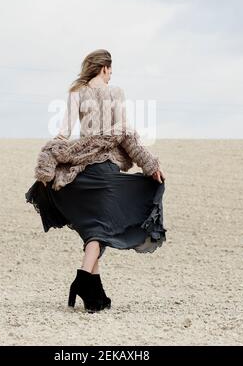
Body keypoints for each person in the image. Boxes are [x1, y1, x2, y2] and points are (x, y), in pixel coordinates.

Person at [25, 49, 166, 313]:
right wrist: (150, 165)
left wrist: (49, 164)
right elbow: (126, 135)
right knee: (100, 230)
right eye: (111, 71)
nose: (111, 76)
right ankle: (81, 280)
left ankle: (95, 297)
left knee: (93, 229)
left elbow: (63, 134)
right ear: (105, 68)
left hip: (81, 170)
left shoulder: (76, 91)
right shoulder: (116, 93)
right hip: (106, 171)